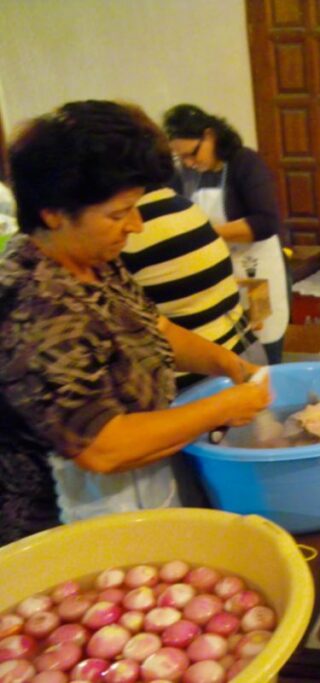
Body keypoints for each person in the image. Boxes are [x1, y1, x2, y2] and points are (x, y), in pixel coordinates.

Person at [0, 100, 271, 545]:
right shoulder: (35, 305)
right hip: (64, 522)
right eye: (118, 213)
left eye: (136, 207)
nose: (137, 226)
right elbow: (102, 447)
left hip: (133, 489)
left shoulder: (90, 259)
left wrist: (227, 364)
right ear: (52, 212)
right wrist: (222, 408)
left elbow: (155, 329)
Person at [163, 104, 290, 364]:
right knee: (226, 356)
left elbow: (265, 222)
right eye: (181, 157)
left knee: (264, 351)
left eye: (193, 153)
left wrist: (205, 233)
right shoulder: (185, 176)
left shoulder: (245, 162)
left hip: (255, 273)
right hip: (215, 277)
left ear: (210, 136)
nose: (189, 162)